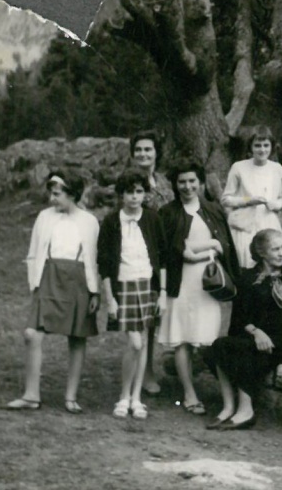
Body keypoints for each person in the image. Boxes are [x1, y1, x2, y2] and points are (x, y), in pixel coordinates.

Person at [6, 170, 100, 414]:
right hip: (48, 277)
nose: (52, 199)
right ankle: (31, 394)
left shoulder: (89, 222)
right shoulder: (44, 217)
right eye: (51, 193)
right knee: (32, 334)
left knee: (77, 337)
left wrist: (94, 292)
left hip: (78, 280)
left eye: (57, 194)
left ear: (73, 194)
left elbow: (93, 259)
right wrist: (34, 285)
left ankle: (70, 396)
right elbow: (33, 253)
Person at [201, 229, 282, 430]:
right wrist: (256, 331)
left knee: (245, 351)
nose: (281, 253)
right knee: (218, 346)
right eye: (275, 249)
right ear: (262, 252)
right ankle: (228, 407)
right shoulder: (248, 278)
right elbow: (240, 318)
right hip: (260, 340)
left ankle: (246, 411)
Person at [158, 159, 239, 415]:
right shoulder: (168, 213)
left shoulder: (213, 210)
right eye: (182, 182)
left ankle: (224, 393)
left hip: (208, 282)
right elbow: (171, 251)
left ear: (201, 182)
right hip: (181, 282)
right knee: (183, 339)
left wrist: (213, 250)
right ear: (175, 185)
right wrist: (209, 248)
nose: (187, 186)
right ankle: (189, 393)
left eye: (192, 181)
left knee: (209, 338)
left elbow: (225, 245)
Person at [97, 170, 166, 419]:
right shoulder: (111, 222)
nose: (134, 197)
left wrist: (163, 293)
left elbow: (162, 258)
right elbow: (103, 264)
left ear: (144, 194)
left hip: (147, 285)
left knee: (144, 342)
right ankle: (123, 395)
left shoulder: (152, 219)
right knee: (134, 343)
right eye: (129, 192)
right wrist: (110, 299)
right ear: (121, 194)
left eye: (139, 191)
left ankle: (136, 398)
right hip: (123, 286)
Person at [129, 130, 173, 394]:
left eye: (148, 149)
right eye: (139, 150)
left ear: (157, 153)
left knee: (154, 316)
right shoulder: (129, 182)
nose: (143, 154)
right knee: (141, 316)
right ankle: (141, 373)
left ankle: (148, 368)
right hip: (138, 252)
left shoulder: (165, 182)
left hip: (164, 252)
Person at [221, 125, 282, 269]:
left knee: (273, 263)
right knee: (247, 265)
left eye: (266, 145)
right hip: (245, 225)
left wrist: (276, 204)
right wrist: (248, 201)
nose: (262, 150)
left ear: (271, 147)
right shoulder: (238, 167)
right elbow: (226, 199)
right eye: (257, 145)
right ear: (250, 147)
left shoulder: (277, 169)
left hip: (268, 221)